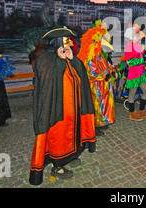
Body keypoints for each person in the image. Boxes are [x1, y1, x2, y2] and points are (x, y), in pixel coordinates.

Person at [29, 27, 96, 186]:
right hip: (56, 111)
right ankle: (57, 165)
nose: (69, 44)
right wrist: (59, 60)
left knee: (74, 135)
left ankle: (71, 156)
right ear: (57, 43)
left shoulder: (69, 57)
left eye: (70, 41)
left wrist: (73, 59)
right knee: (59, 137)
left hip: (74, 109)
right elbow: (48, 82)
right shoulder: (44, 59)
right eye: (66, 41)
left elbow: (81, 74)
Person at [78, 21, 116, 136]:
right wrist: (105, 75)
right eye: (99, 38)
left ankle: (102, 122)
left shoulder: (98, 51)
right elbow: (90, 71)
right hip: (95, 85)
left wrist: (111, 69)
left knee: (104, 104)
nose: (101, 40)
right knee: (96, 105)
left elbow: (103, 63)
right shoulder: (90, 52)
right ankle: (94, 126)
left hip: (103, 84)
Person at [124, 25, 146, 121]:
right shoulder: (128, 46)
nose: (139, 36)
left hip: (140, 73)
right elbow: (129, 62)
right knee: (132, 94)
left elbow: (141, 56)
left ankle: (141, 111)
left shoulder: (138, 45)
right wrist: (142, 60)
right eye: (137, 34)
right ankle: (132, 114)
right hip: (134, 74)